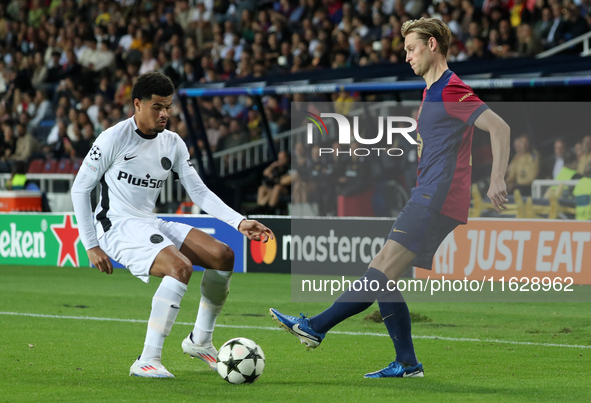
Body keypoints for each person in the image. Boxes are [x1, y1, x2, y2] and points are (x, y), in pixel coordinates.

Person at [270, 17, 510, 378]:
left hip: (436, 197)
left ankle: (316, 326)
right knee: (384, 274)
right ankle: (408, 363)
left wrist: (496, 179)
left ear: (432, 45)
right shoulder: (431, 91)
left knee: (380, 269)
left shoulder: (450, 88)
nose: (407, 57)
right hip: (428, 194)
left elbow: (499, 126)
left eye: (411, 49)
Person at [70, 72, 274, 378]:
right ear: (137, 104)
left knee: (223, 255)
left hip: (148, 221)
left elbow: (199, 191)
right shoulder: (113, 137)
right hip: (116, 226)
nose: (165, 113)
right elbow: (80, 188)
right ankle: (147, 359)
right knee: (180, 267)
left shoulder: (173, 143)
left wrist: (239, 221)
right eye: (157, 107)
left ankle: (200, 340)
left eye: (168, 106)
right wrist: (91, 244)